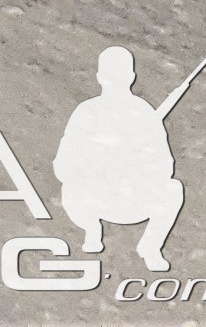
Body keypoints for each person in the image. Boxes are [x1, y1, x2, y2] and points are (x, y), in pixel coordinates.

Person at [54, 45, 186, 270]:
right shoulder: (87, 112)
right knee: (70, 189)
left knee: (173, 189)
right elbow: (62, 166)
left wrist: (136, 168)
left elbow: (165, 165)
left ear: (131, 77)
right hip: (96, 200)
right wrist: (95, 165)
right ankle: (92, 229)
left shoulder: (144, 114)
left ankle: (151, 246)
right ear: (100, 78)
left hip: (133, 200)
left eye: (119, 76)